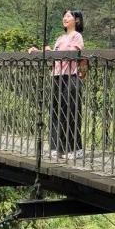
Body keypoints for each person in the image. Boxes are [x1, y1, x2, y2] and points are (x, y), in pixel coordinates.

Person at [28, 9, 85, 159]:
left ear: (76, 20)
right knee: (55, 112)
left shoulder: (77, 36)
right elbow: (54, 57)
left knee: (71, 112)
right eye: (64, 16)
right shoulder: (60, 38)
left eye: (69, 16)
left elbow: (71, 54)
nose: (65, 18)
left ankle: (74, 149)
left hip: (71, 77)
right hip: (57, 76)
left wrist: (52, 52)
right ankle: (56, 147)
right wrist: (40, 51)